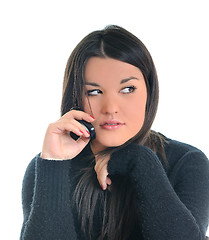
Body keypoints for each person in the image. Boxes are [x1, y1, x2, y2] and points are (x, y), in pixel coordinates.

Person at [20, 25, 209, 240]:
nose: (110, 108)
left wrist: (139, 161)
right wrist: (53, 164)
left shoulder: (187, 162)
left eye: (127, 89)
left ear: (149, 91)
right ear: (75, 97)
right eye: (94, 92)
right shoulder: (43, 168)